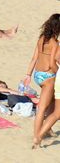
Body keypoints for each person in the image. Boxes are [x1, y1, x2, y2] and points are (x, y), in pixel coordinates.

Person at [27, 13, 60, 148]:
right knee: (42, 107)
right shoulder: (55, 43)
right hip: (48, 76)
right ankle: (37, 136)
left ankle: (48, 130)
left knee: (51, 101)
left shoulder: (41, 39)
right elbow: (52, 63)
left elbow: (34, 58)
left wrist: (28, 74)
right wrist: (57, 72)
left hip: (37, 74)